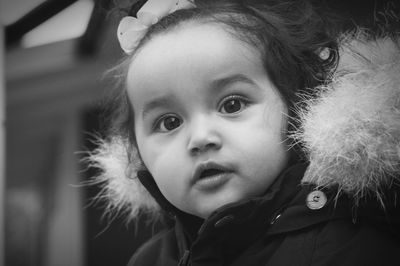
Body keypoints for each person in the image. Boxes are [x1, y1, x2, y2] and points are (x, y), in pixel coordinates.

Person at [88, 0, 400, 265]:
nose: (200, 139)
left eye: (232, 104)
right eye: (169, 123)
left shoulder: (346, 246)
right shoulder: (149, 259)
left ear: (297, 108)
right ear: (138, 153)